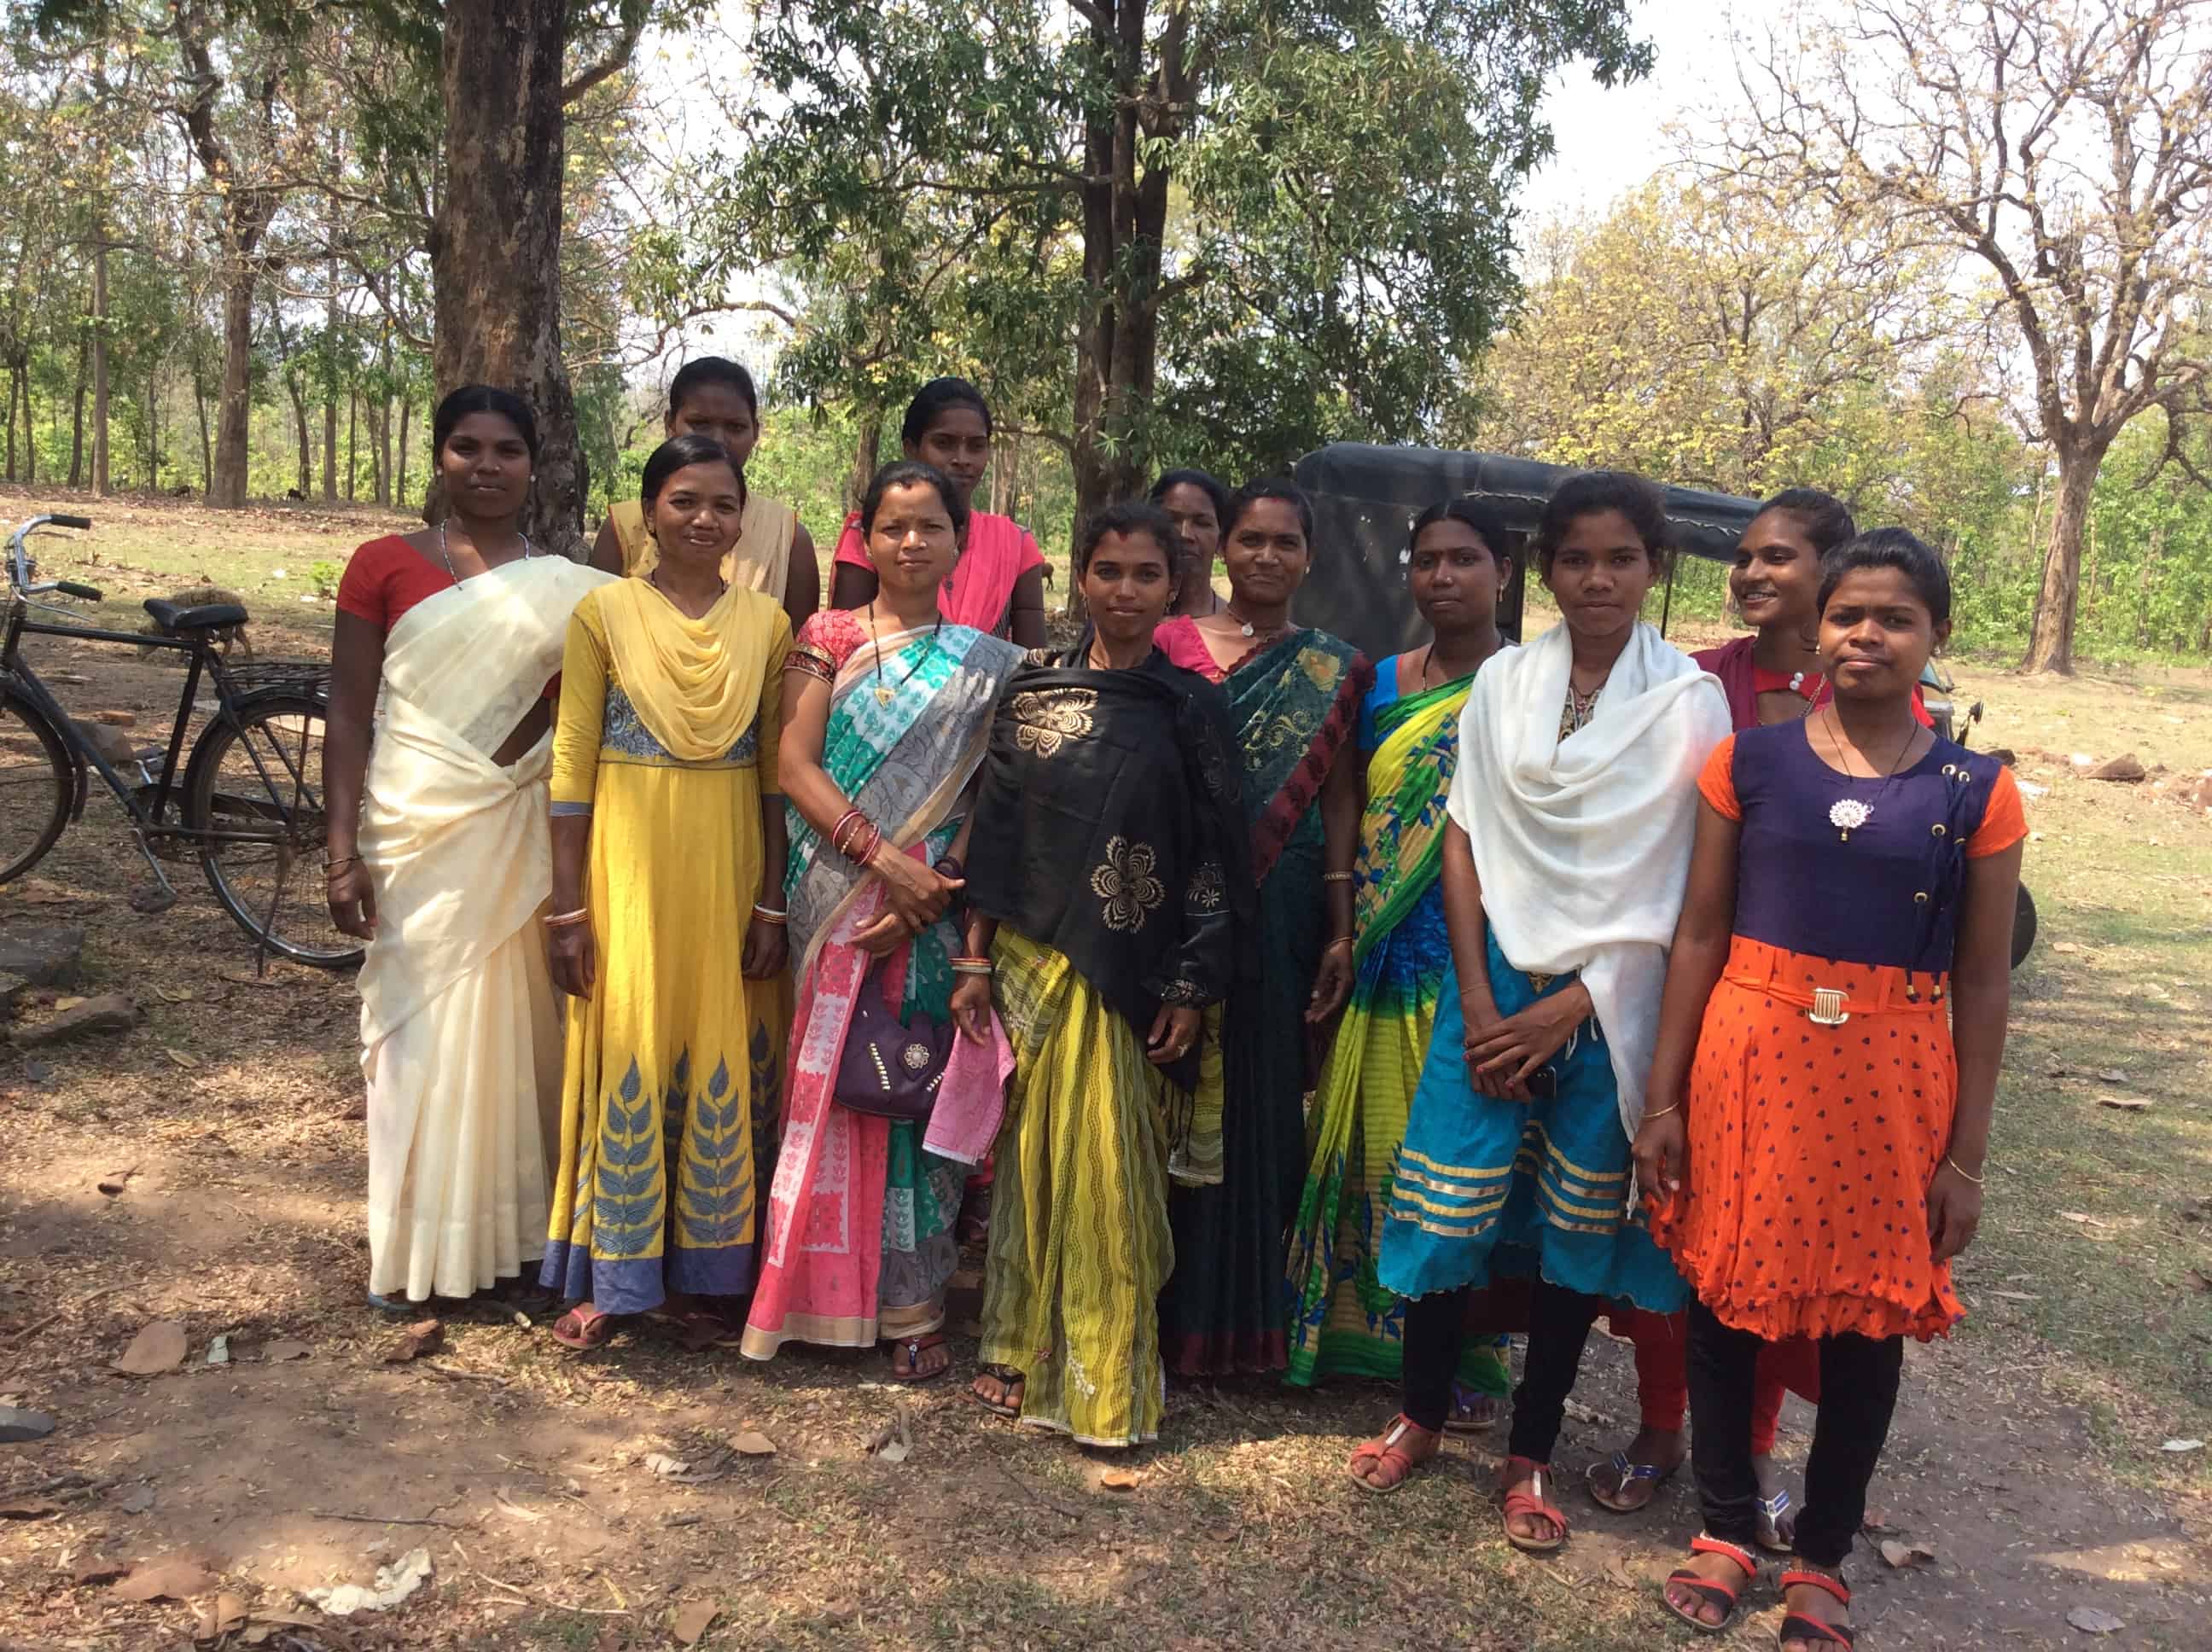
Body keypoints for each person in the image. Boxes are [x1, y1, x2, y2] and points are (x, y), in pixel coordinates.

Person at [1639, 528, 2022, 1647]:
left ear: (1936, 635)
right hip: (1748, 1064)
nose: (1867, 636)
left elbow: (1983, 978)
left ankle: (1822, 1555)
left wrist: (1966, 1158)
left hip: (1891, 1085)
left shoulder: (1977, 791)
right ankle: (1723, 1529)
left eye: (1896, 618)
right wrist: (1662, 1101)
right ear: (1818, 628)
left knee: (1866, 1323)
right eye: (1849, 614)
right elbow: (1699, 933)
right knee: (1725, 1305)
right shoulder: (1748, 763)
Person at [1347, 472, 1730, 1555]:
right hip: (1491, 984)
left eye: (1620, 558)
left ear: (1655, 567)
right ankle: (1421, 1415)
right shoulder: (1507, 683)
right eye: (1576, 559)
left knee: (1575, 1236)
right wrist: (1479, 1000)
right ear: (1545, 570)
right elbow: (1465, 836)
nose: (1598, 579)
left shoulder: (1689, 703)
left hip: (1609, 1004)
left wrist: (1574, 1004)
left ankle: (1530, 1454)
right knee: (1445, 1211)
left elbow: (1678, 886)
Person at [1591, 491, 1867, 1536]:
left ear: (1832, 570)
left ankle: (1749, 1449)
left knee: (1778, 1232)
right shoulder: (1695, 681)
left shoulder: (1875, 696)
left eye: (1777, 557)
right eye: (1743, 557)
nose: (1750, 574)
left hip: (1811, 1012)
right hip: (1682, 981)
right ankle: (1664, 1425)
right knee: (1673, 1215)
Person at [958, 500, 1249, 1446]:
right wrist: (973, 957)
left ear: (1175, 586)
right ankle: (1015, 1344)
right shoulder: (1031, 687)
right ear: (1081, 577)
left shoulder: (1190, 706)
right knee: (1032, 1165)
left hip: (1134, 968)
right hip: (1030, 962)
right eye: (1109, 571)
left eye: (1146, 574)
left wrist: (1194, 984)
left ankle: (1106, 1376)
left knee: (1112, 1176)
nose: (1126, 591)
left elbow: (1217, 852)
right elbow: (995, 832)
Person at [325, 386, 611, 1308]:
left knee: (521, 1032)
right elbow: (348, 712)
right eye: (466, 447)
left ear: (535, 465)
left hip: (519, 826)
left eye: (506, 450)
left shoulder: (573, 588)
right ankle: (415, 1255)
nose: (486, 466)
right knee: (421, 1029)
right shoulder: (382, 564)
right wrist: (340, 849)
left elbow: (581, 718)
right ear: (439, 455)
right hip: (417, 822)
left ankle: (514, 1247)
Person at [740, 461, 1024, 1379]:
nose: (911, 542)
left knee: (914, 1083)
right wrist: (886, 864)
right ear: (865, 536)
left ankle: (914, 1302)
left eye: (930, 526)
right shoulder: (826, 635)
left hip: (934, 910)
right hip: (836, 893)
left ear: (960, 541)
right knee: (830, 1090)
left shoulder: (991, 664)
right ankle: (813, 1296)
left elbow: (991, 796)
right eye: (893, 526)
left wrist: (934, 885)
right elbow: (795, 765)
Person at [538, 435, 793, 1348]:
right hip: (628, 864)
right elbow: (571, 762)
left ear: (742, 520)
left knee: (725, 1039)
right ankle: (620, 1276)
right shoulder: (603, 612)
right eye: (684, 501)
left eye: (723, 504)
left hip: (729, 864)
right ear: (648, 512)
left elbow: (775, 773)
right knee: (632, 1035)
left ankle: (715, 1277)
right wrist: (567, 905)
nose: (704, 519)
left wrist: (773, 899)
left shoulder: (768, 622)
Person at [1284, 500, 1515, 1418]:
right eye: (1426, 560)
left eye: (1465, 559)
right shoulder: (1377, 680)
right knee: (1370, 1143)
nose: (1443, 577)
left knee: (1458, 1159)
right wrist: (1342, 929)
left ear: (1504, 571)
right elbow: (1347, 804)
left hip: (1479, 956)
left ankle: (1460, 1355)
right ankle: (1352, 1332)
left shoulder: (1530, 685)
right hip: (1382, 943)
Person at [1151, 480, 1372, 1377]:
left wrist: (1339, 923)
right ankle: (1159, 1308)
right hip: (1176, 901)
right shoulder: (1170, 645)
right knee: (1168, 1086)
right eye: (1250, 539)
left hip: (1285, 900)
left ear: (1309, 557)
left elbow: (1343, 797)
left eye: (1286, 542)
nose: (1267, 556)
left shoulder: (1336, 667)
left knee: (1266, 1093)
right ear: (1222, 549)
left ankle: (1246, 1321)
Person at [589, 356, 821, 628]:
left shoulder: (787, 537)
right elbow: (599, 632)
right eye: (700, 423)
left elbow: (797, 648)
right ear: (670, 424)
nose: (718, 440)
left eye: (735, 427)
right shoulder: (622, 529)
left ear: (755, 432)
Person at [827, 378, 1049, 646]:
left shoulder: (1014, 543)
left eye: (976, 446)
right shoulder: (874, 533)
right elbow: (845, 644)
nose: (962, 459)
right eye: (944, 443)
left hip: (991, 675)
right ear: (911, 449)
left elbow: (1032, 659)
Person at [1150, 468, 1230, 617]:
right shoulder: (1126, 620)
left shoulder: (1237, 627)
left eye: (1202, 523)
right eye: (1172, 520)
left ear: (1221, 540)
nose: (1185, 534)